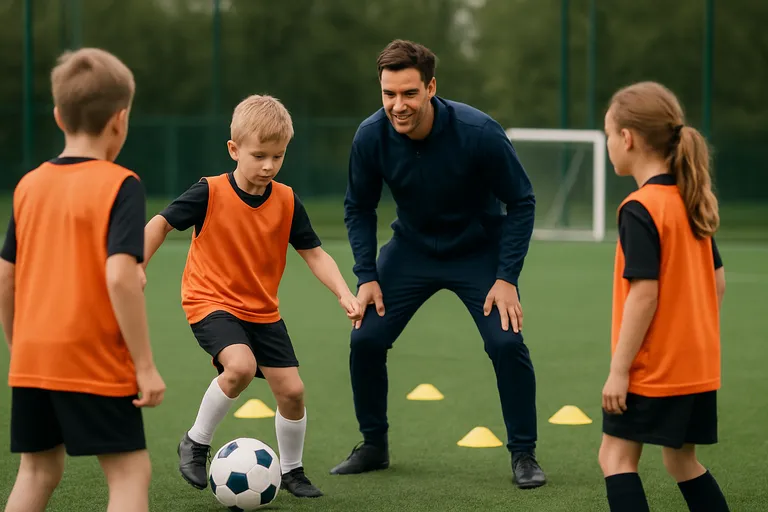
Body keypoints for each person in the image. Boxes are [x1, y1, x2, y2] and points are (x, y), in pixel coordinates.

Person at [330, 39, 546, 489]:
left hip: (478, 252)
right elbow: (358, 207)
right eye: (389, 94)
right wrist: (366, 276)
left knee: (507, 343)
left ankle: (524, 453)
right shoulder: (371, 135)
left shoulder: (479, 132)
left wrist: (507, 277)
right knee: (365, 339)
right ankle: (374, 445)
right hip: (410, 251)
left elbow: (521, 202)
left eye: (409, 93)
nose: (398, 105)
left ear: (431, 87)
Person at [142, 94, 363, 499]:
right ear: (234, 149)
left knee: (293, 393)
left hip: (262, 311)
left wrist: (344, 293)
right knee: (240, 366)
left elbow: (314, 253)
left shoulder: (287, 200)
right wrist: (137, 264)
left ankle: (292, 471)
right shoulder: (209, 192)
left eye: (277, 156)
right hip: (210, 301)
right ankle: (196, 441)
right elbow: (159, 224)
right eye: (259, 155)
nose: (268, 166)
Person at [0, 48, 165, 512]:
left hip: (34, 358)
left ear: (57, 116)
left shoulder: (28, 184)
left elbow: (5, 277)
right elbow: (119, 276)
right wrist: (145, 366)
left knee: (37, 472)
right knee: (130, 473)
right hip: (90, 357)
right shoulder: (121, 183)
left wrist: (20, 345)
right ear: (120, 119)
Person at [599, 81, 730, 512]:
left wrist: (619, 371)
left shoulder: (640, 207)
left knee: (615, 457)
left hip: (652, 368)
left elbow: (645, 294)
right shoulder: (689, 200)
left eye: (607, 136)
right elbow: (718, 283)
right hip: (695, 366)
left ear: (627, 138)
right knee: (681, 460)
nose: (608, 147)